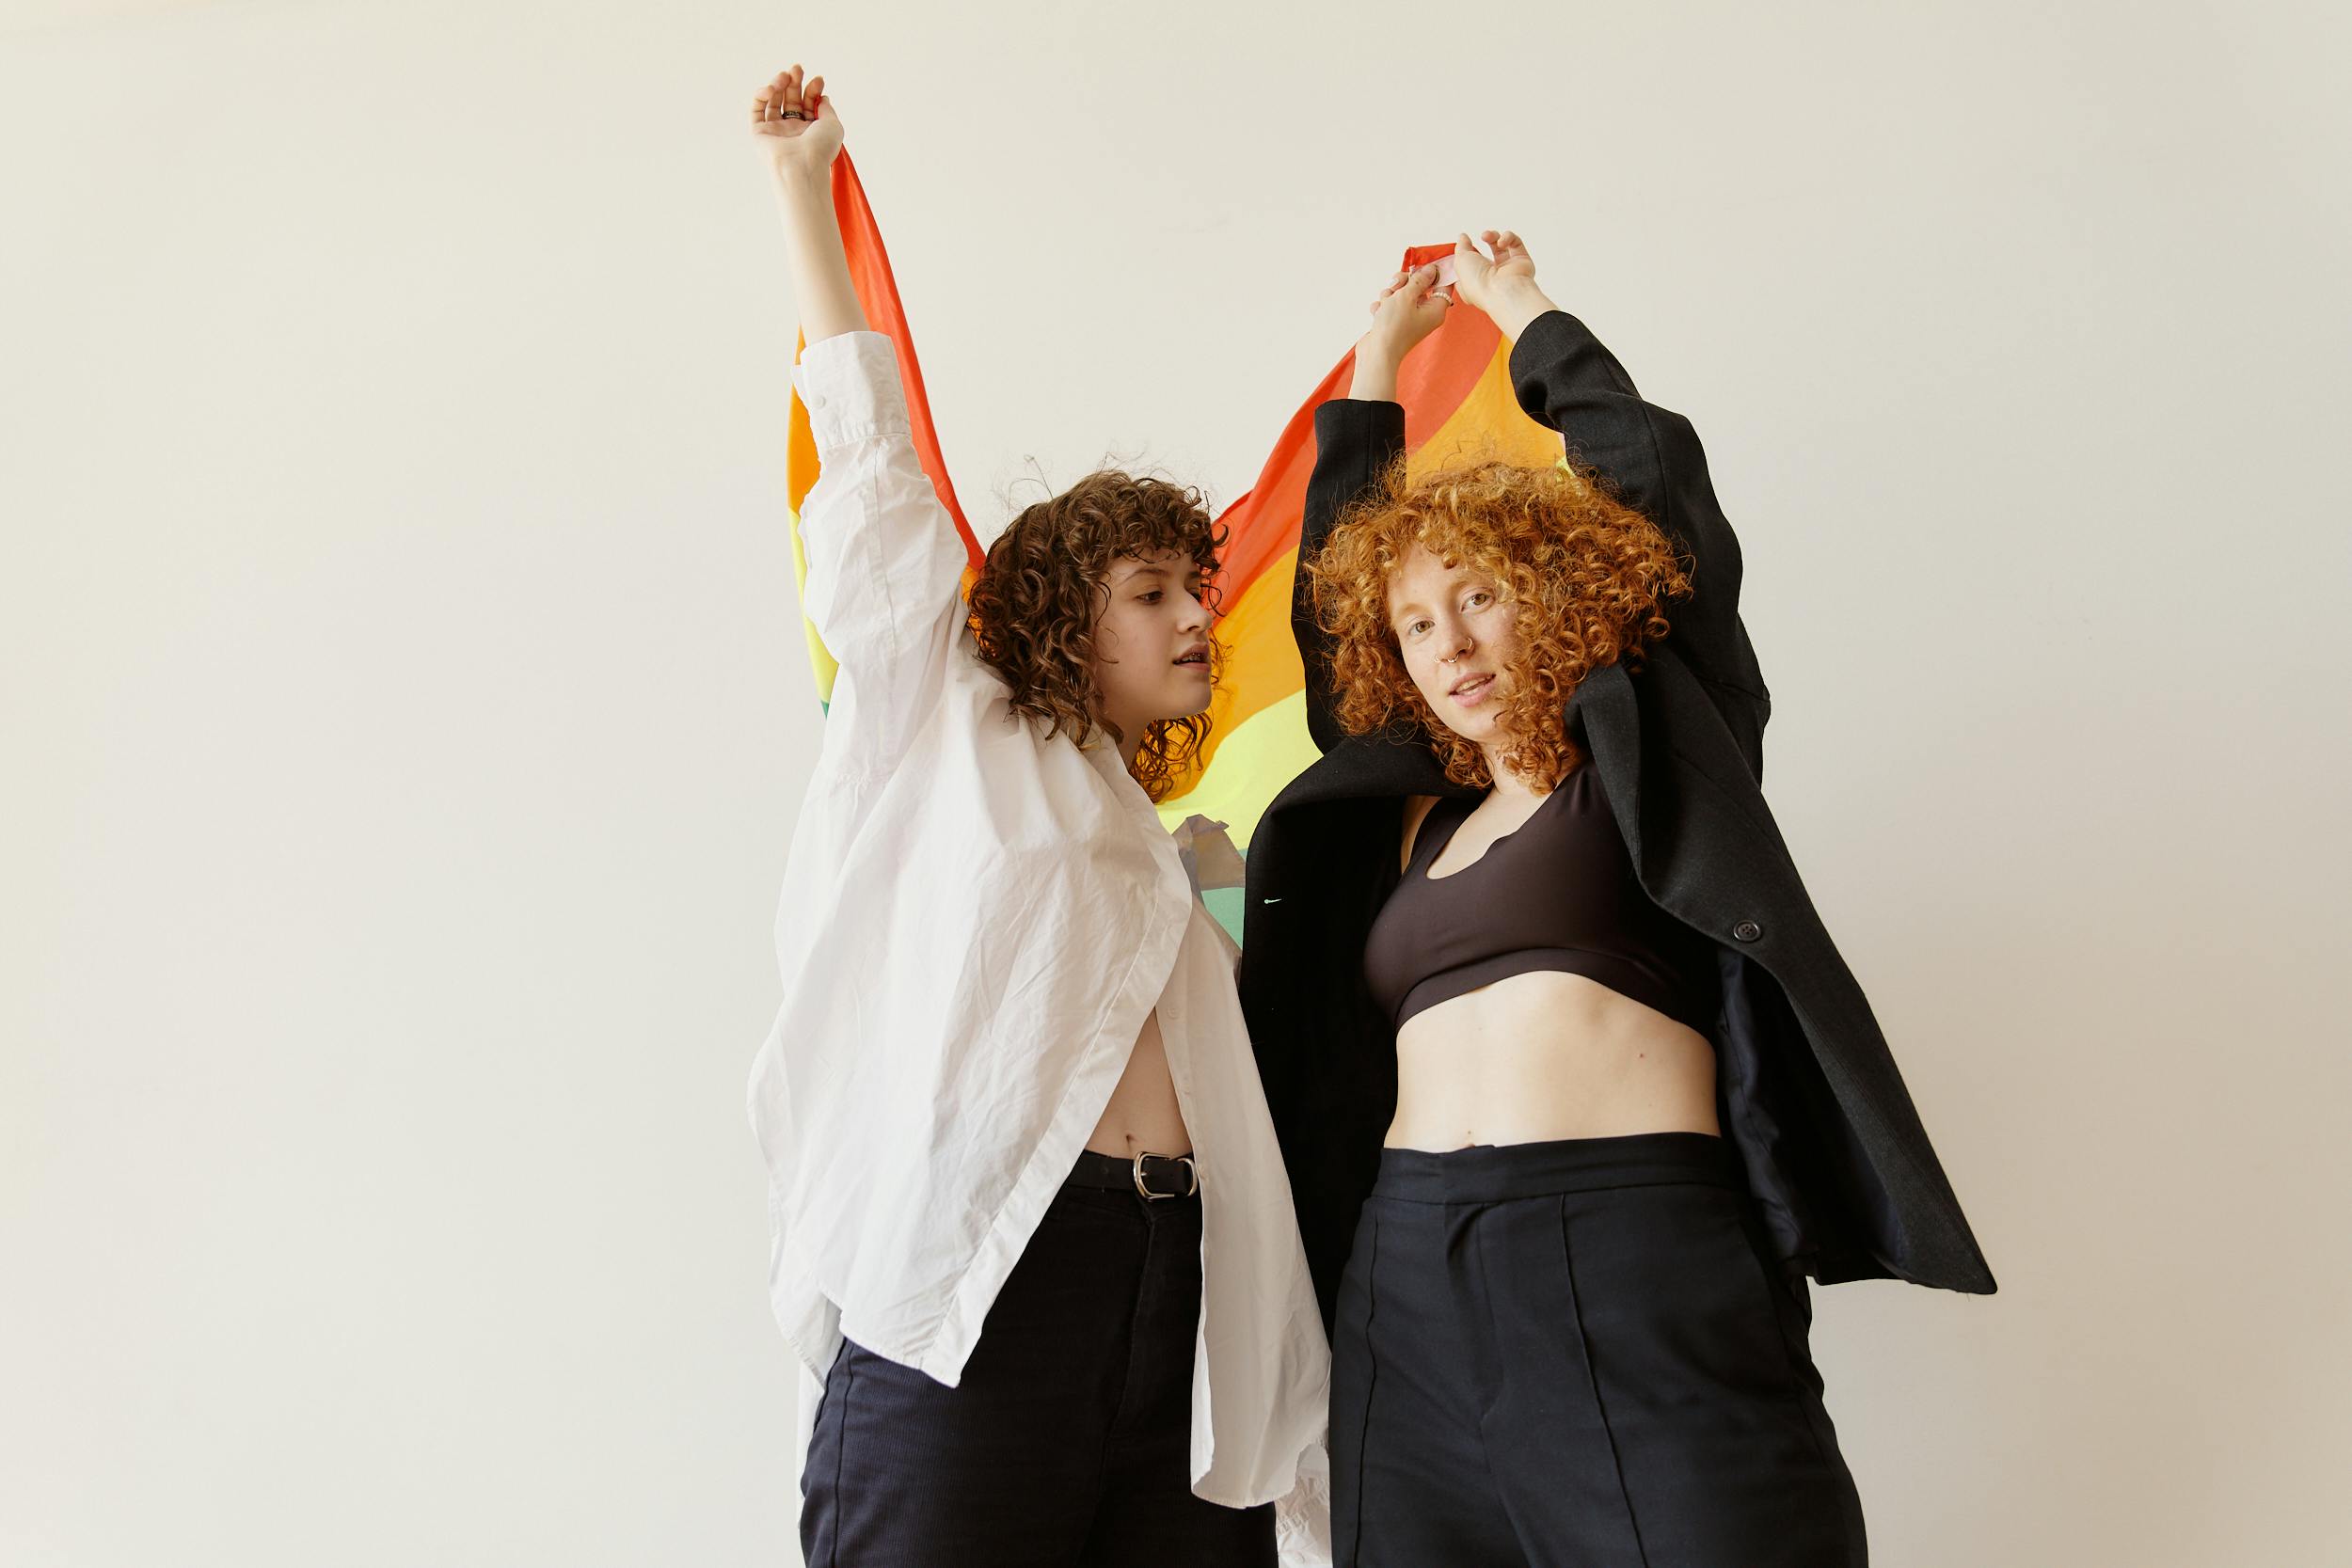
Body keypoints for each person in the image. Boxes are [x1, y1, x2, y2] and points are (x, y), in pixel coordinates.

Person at [1237, 233, 1996, 1566]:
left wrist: (1523, 312)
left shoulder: (1650, 752)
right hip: (1404, 1284)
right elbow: (1327, 618)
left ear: (1560, 602)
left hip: (1629, 1238)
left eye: (1481, 600)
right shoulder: (1416, 817)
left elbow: (1655, 488)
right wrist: (1375, 372)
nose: (1454, 643)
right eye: (1418, 624)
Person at [744, 66, 1327, 1567]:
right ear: (1066, 618)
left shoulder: (1154, 833)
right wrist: (806, 189)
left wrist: (1381, 367)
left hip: (1169, 1293)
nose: (1198, 616)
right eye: (1154, 592)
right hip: (989, 1289)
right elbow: (872, 478)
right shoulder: (945, 721)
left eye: (1197, 587)